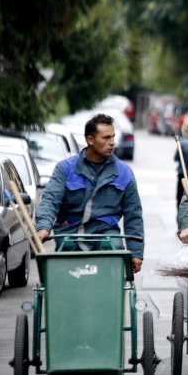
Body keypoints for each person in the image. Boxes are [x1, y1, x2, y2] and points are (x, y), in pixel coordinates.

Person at [35, 113, 145, 273]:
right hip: (70, 233)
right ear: (90, 140)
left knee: (115, 251)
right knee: (59, 271)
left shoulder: (124, 173)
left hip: (105, 234)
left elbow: (133, 214)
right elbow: (50, 200)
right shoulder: (65, 169)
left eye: (113, 137)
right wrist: (43, 227)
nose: (112, 142)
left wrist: (136, 253)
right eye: (106, 138)